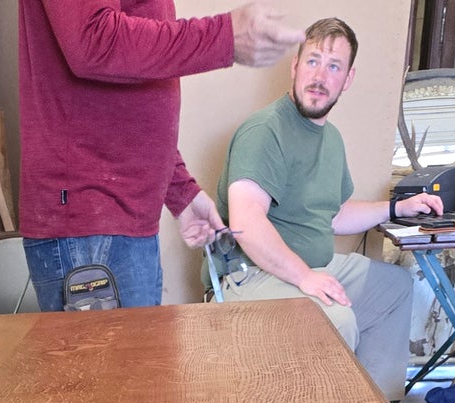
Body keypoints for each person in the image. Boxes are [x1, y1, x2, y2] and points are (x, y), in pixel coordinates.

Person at [18, 0, 309, 310]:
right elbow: (93, 40)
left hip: (120, 220)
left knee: (137, 358)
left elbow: (131, 88)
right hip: (91, 218)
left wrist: (179, 188)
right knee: (117, 360)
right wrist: (222, 36)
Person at [212, 16, 443, 397]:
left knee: (398, 287)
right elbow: (246, 223)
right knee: (336, 318)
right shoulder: (264, 131)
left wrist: (397, 208)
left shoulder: (330, 138)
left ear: (347, 79)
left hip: (310, 267)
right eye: (313, 61)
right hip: (248, 276)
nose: (320, 76)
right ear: (295, 66)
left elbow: (333, 215)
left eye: (333, 66)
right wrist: (305, 277)